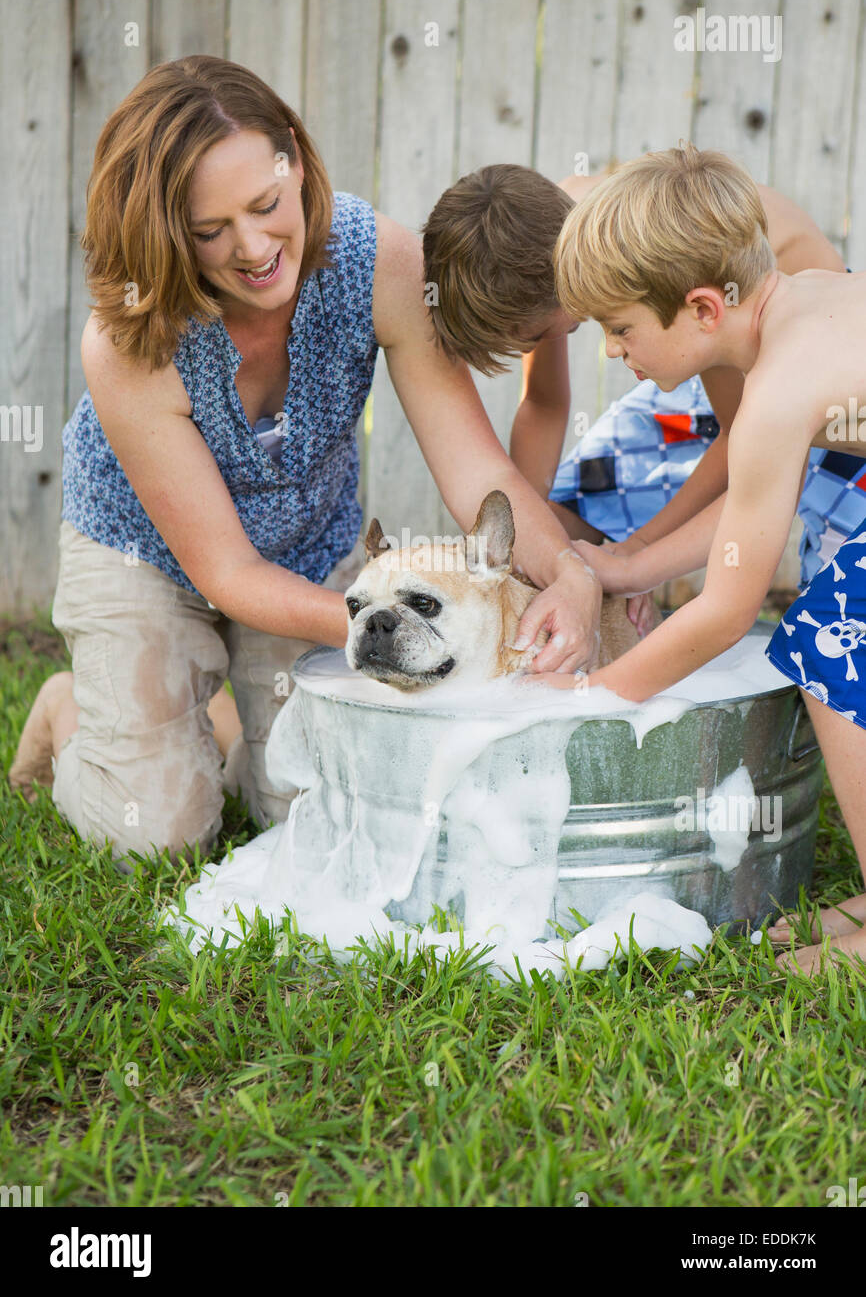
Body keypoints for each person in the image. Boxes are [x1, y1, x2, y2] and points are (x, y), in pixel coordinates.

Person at [7, 55, 599, 864]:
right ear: (162, 232)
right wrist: (394, 624)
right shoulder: (126, 340)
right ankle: (71, 709)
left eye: (266, 205)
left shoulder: (383, 265)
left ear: (293, 156)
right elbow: (229, 575)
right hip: (145, 553)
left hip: (307, 547)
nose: (253, 248)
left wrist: (569, 573)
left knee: (311, 808)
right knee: (156, 834)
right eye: (210, 231)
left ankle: (212, 721)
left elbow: (478, 474)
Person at [529, 142, 866, 976]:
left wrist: (595, 696)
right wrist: (628, 567)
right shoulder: (813, 301)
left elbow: (724, 607)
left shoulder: (777, 396)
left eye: (621, 329)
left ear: (704, 309)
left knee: (827, 638)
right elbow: (744, 522)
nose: (613, 353)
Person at [421, 162, 854, 636]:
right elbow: (544, 403)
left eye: (540, 336)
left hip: (822, 398)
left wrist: (640, 555)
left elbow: (739, 442)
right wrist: (516, 541)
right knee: (561, 524)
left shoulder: (687, 277)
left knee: (830, 622)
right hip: (697, 371)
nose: (538, 348)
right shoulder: (551, 232)